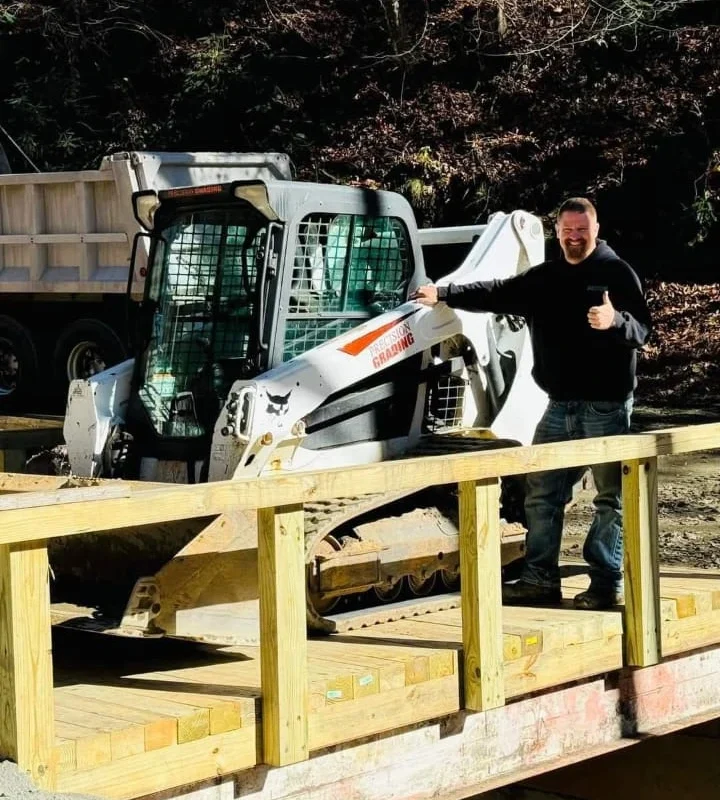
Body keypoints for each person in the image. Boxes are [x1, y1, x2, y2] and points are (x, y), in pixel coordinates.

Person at [411, 197, 652, 610]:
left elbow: (642, 331)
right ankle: (540, 579)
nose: (574, 238)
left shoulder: (616, 272)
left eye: (582, 231)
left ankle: (605, 583)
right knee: (541, 494)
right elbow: (498, 292)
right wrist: (445, 293)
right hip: (558, 407)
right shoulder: (545, 277)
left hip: (605, 408)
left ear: (596, 229)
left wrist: (615, 321)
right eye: (567, 231)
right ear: (556, 232)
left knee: (610, 499)